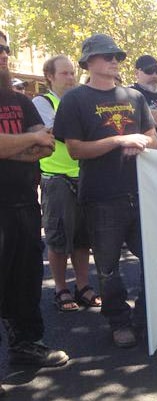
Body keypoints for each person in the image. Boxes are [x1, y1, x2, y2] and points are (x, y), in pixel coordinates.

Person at [52, 33, 157, 348]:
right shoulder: (75, 99)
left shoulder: (134, 97)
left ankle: (143, 316)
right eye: (106, 55)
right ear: (89, 61)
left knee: (154, 258)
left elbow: (152, 137)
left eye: (117, 56)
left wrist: (139, 141)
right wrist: (119, 140)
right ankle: (118, 321)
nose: (114, 60)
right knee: (109, 269)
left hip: (141, 193)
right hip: (100, 197)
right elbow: (74, 150)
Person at [0, 30, 69, 368]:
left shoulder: (20, 101)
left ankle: (26, 346)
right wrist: (24, 140)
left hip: (24, 203)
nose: (3, 54)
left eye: (5, 48)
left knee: (25, 282)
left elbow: (47, 145)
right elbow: (34, 141)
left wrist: (7, 147)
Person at [31, 55, 100, 312]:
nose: (71, 78)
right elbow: (56, 132)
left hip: (84, 175)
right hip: (57, 178)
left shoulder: (80, 100)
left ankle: (82, 286)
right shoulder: (42, 102)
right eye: (64, 74)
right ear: (50, 76)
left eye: (72, 73)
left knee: (83, 238)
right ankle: (61, 288)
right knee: (59, 238)